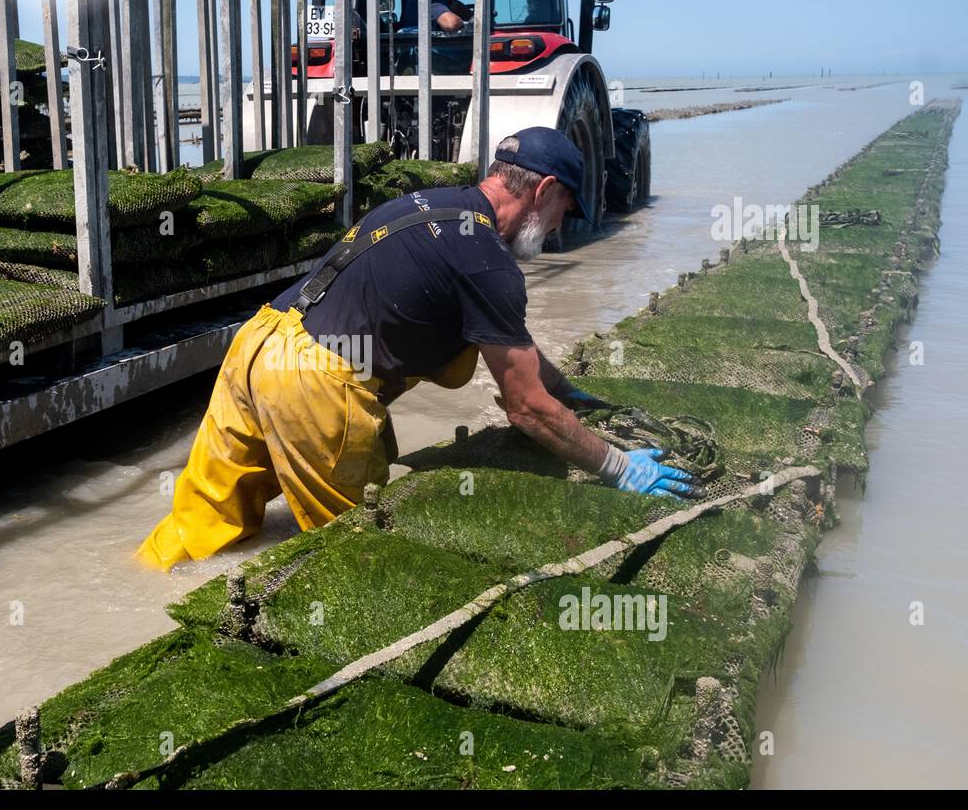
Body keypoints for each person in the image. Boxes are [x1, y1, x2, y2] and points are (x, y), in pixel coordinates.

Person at [137, 128, 698, 570]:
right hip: (315, 383)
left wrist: (562, 386)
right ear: (545, 190)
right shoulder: (489, 262)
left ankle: (141, 598)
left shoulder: (430, 205)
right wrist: (618, 466)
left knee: (202, 526)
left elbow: (511, 347)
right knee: (355, 553)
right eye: (564, 212)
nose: (556, 230)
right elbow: (523, 408)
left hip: (259, 344)